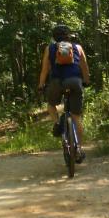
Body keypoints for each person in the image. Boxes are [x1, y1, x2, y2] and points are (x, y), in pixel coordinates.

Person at [38, 24, 91, 161]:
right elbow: (84, 66)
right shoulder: (77, 47)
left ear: (54, 37)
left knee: (51, 104)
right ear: (68, 35)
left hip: (57, 82)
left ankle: (57, 124)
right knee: (76, 117)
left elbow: (45, 69)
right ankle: (78, 148)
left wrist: (41, 85)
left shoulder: (50, 48)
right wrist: (86, 81)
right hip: (74, 82)